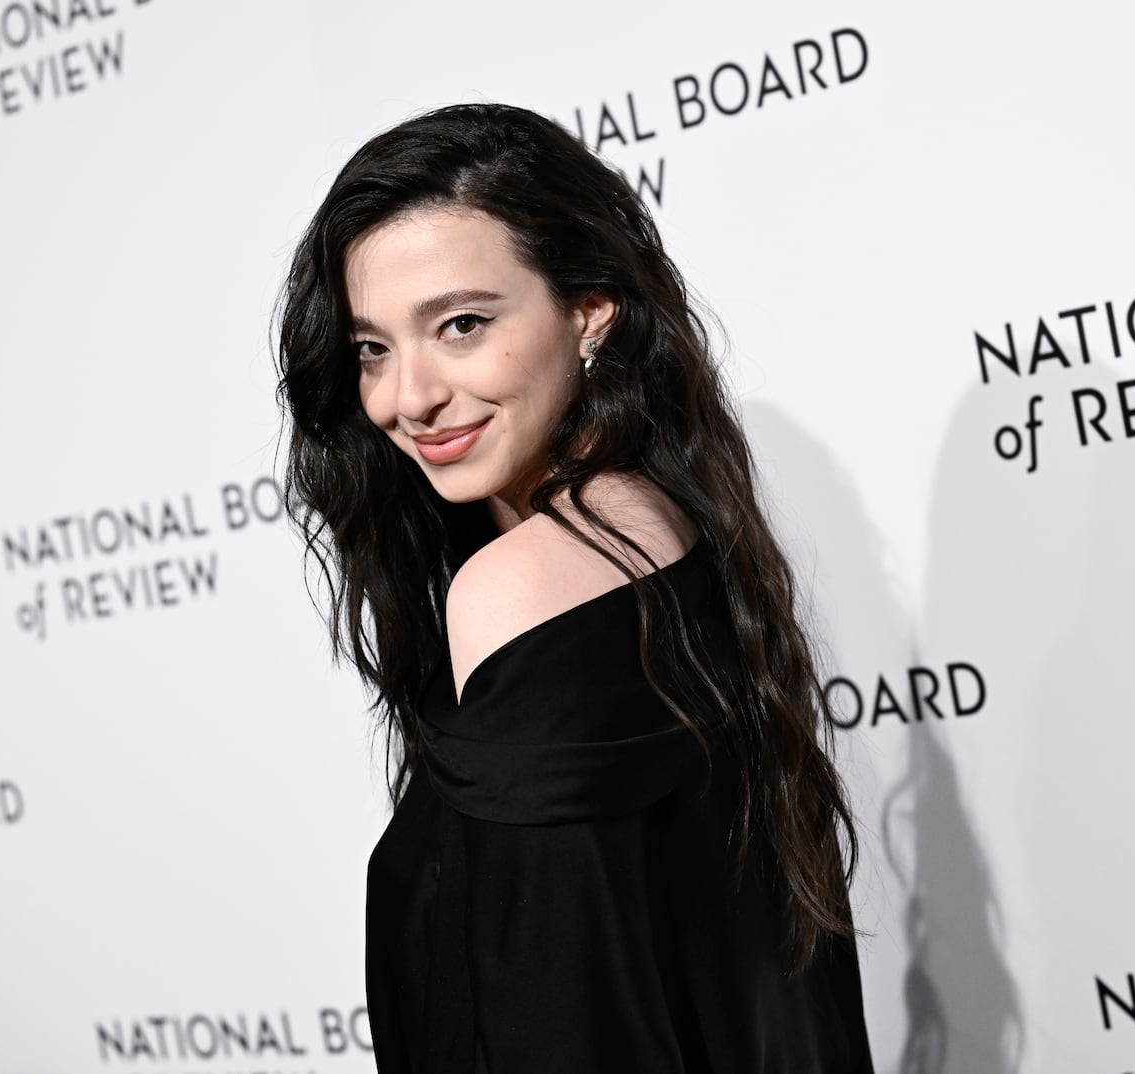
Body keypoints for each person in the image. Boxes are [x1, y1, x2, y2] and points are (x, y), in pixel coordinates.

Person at [274, 101, 874, 1072]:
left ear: (588, 313)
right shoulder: (675, 529)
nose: (405, 397)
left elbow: (545, 1018)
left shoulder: (519, 588)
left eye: (461, 325)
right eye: (372, 348)